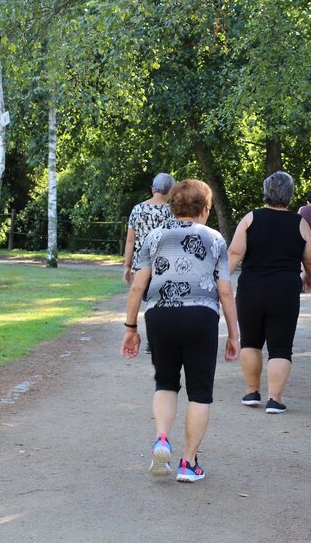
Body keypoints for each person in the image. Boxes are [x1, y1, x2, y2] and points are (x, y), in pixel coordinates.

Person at [121, 179, 240, 483]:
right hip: (201, 317)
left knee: (165, 382)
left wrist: (131, 327)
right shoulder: (215, 240)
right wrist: (234, 334)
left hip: (161, 316)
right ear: (205, 208)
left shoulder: (154, 238)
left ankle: (162, 439)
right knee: (199, 391)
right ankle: (188, 464)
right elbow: (225, 292)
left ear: (173, 206)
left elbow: (137, 285)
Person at [228, 171, 311, 414]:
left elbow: (235, 254)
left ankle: (251, 391)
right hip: (285, 290)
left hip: (251, 288)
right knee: (280, 347)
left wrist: (220, 280)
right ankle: (275, 400)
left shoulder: (250, 219)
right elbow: (310, 260)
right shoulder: (298, 223)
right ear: (289, 195)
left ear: (266, 192)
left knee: (250, 341)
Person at [123, 173, 176, 284]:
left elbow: (130, 240)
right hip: (165, 266)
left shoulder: (137, 209)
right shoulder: (172, 212)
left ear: (153, 189)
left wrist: (127, 265)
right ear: (171, 191)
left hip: (141, 265)